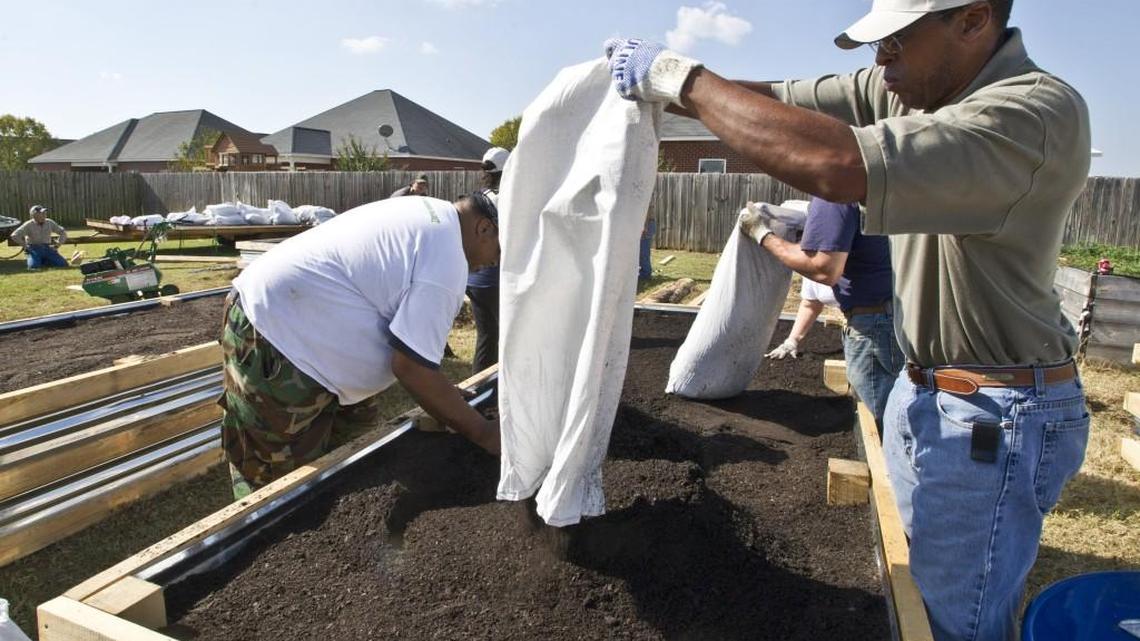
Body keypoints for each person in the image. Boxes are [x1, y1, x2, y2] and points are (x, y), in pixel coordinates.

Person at [606, 1, 1091, 639]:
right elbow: (780, 101)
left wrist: (680, 78)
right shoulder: (914, 86)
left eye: (893, 44)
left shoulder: (1028, 115)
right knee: (917, 592)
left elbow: (837, 164)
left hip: (996, 407)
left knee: (956, 621)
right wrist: (664, 87)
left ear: (972, 21)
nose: (878, 63)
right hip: (930, 389)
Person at [219, 191, 501, 499]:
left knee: (352, 462)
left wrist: (443, 395)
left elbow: (405, 339)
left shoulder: (433, 216)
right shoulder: (447, 259)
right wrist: (484, 433)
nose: (494, 262)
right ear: (484, 228)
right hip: (277, 335)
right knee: (278, 488)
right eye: (499, 251)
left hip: (304, 331)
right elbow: (412, 368)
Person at [756, 197, 904, 429]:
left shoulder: (834, 198)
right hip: (886, 316)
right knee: (890, 404)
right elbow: (810, 302)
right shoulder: (866, 193)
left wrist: (762, 236)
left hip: (874, 322)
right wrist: (792, 340)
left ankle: (890, 462)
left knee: (883, 415)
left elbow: (824, 269)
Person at [466, 146, 510, 373]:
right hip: (494, 277)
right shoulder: (506, 200)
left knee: (487, 335)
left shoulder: (476, 198)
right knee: (507, 335)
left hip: (473, 278)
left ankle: (481, 385)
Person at [11, 206, 69, 270]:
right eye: (42, 213)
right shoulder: (28, 224)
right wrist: (25, 246)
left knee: (63, 264)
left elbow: (63, 233)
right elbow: (14, 235)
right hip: (34, 248)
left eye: (45, 213)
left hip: (47, 248)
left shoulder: (49, 222)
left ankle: (43, 260)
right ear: (34, 215)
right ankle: (41, 260)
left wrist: (57, 245)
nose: (45, 215)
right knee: (33, 266)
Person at [639, 203, 656, 281]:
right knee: (643, 250)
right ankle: (645, 271)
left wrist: (644, 227)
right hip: (649, 224)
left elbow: (647, 212)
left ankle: (646, 273)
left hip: (647, 226)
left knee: (644, 251)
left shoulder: (646, 201)